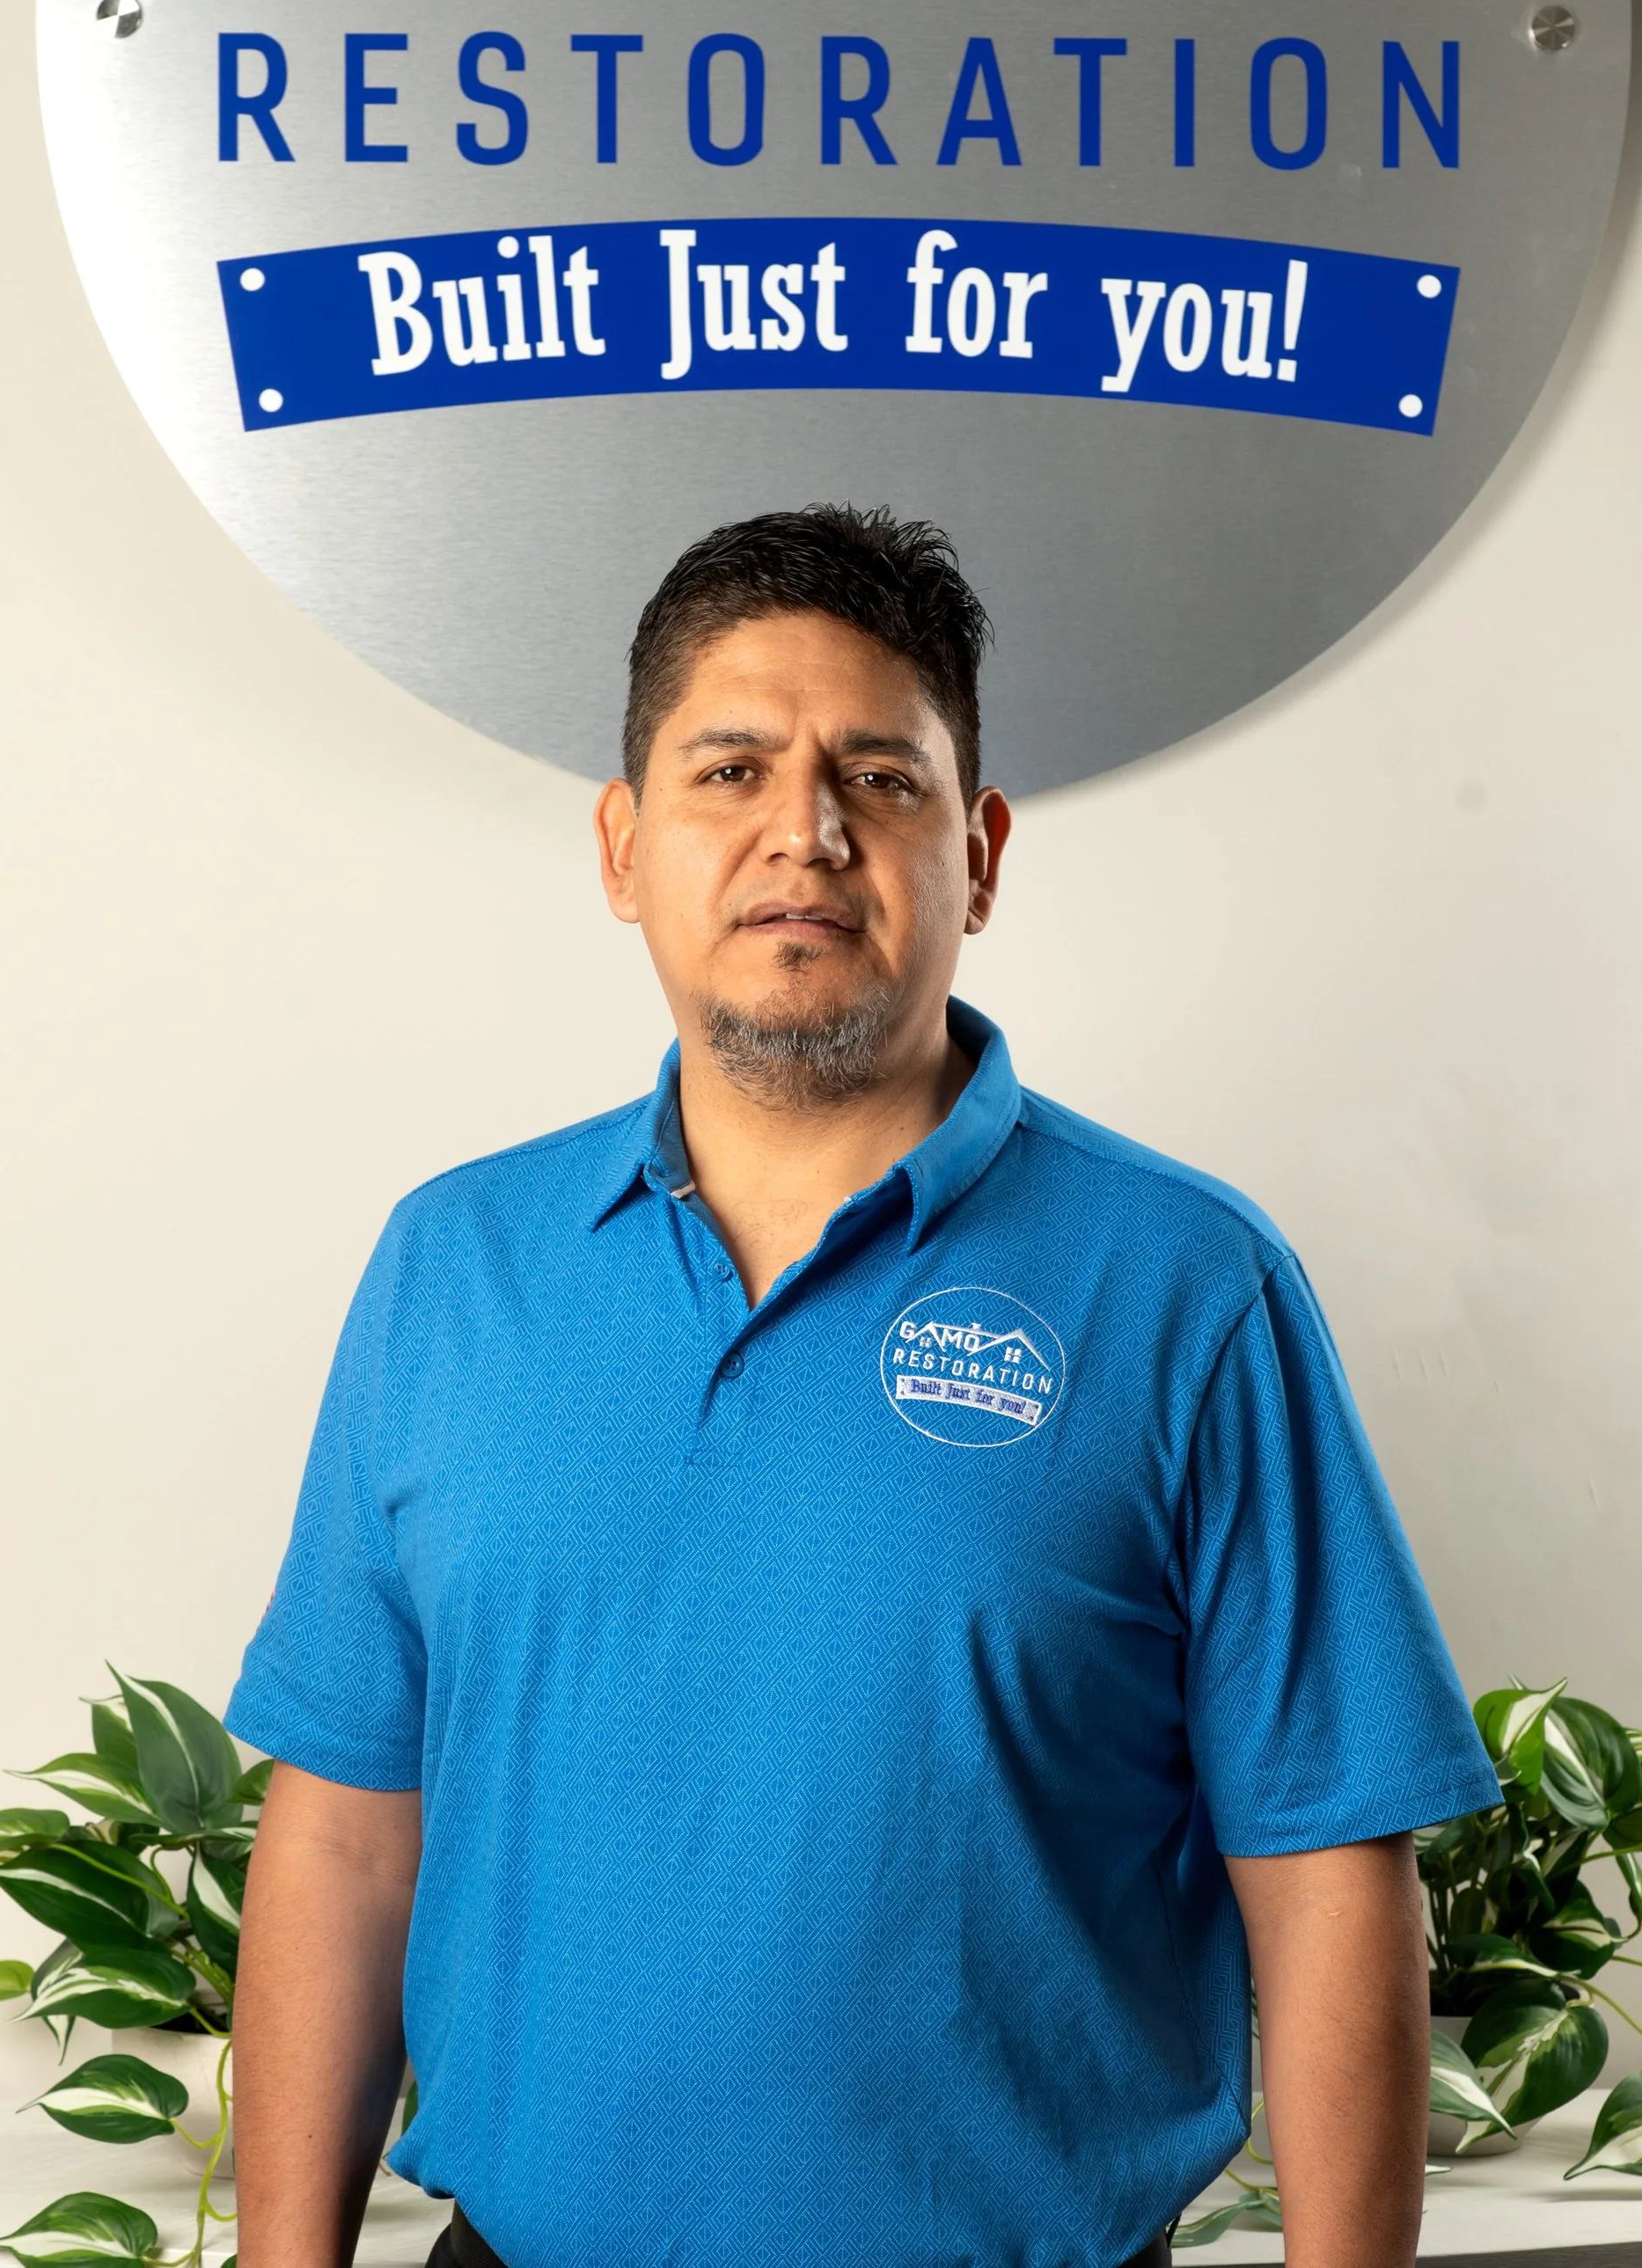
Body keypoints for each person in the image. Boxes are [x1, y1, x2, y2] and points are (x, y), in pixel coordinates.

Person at [226, 505, 1499, 2268]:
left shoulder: (1190, 1288)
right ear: (623, 845)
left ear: (977, 854)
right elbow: (348, 1840)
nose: (803, 832)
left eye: (879, 779)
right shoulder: (452, 1268)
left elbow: (1326, 1871)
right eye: (729, 769)